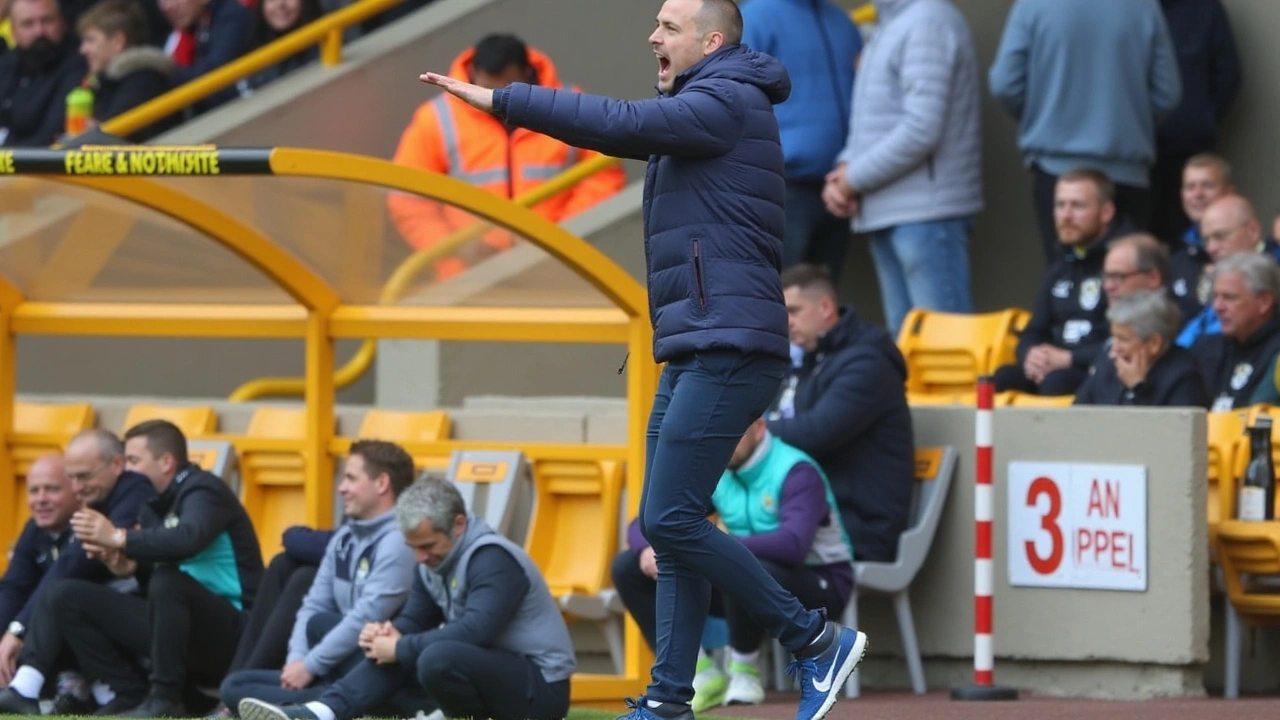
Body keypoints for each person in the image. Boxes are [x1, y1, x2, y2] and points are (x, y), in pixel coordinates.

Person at [420, 1, 868, 719]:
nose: (652, 36)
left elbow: (619, 125)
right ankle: (667, 699)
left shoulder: (725, 96)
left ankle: (815, 640)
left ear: (712, 41)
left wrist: (506, 102)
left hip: (728, 347)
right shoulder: (708, 97)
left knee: (672, 519)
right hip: (698, 344)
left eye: (669, 26)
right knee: (671, 523)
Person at [235, 479, 575, 720]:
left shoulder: (492, 558)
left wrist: (400, 647)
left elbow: (476, 632)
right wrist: (385, 636)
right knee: (363, 638)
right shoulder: (432, 560)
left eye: (427, 546)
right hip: (480, 671)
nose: (419, 558)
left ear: (458, 524)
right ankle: (324, 711)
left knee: (436, 657)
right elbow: (414, 620)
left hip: (538, 691)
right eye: (413, 547)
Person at [217, 441, 419, 716]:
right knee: (234, 685)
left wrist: (311, 666)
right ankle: (312, 703)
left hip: (379, 666)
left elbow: (366, 616)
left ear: (382, 483)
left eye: (350, 478)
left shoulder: (398, 541)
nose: (341, 488)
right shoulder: (346, 537)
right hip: (335, 664)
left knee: (323, 624)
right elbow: (313, 603)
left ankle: (328, 706)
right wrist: (297, 663)